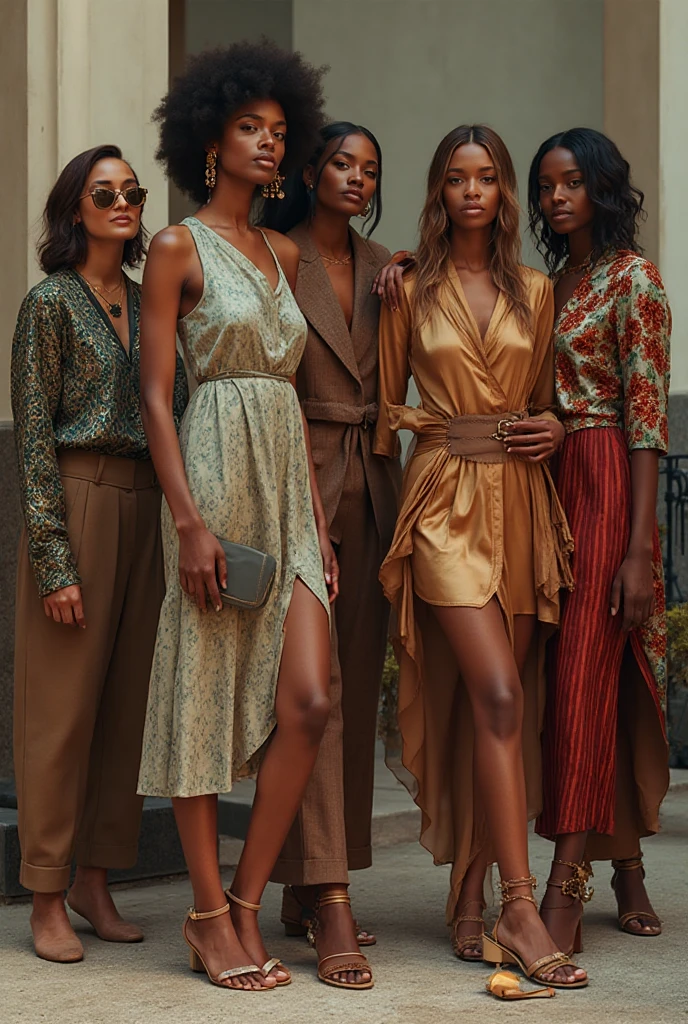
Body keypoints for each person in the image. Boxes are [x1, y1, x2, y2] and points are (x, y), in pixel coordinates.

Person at [136, 42, 347, 993]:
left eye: (278, 130)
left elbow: (296, 395)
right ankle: (206, 915)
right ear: (210, 143)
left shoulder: (287, 249)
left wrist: (315, 524)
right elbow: (152, 395)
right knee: (201, 693)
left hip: (284, 480)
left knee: (308, 700)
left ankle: (249, 903)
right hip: (213, 469)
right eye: (248, 129)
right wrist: (188, 523)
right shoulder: (178, 246)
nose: (268, 143)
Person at [373, 124, 586, 987]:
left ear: (503, 194)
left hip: (524, 505)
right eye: (457, 178)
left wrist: (559, 426)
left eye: (488, 177)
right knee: (495, 692)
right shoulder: (407, 288)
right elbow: (391, 409)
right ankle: (521, 904)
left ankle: (469, 892)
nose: (473, 191)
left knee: (496, 708)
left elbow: (547, 403)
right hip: (442, 503)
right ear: (439, 190)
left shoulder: (538, 290)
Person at [11, 144, 188, 963]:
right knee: (63, 709)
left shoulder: (157, 299)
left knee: (126, 706)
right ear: (74, 210)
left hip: (149, 502)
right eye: (102, 191)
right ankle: (45, 892)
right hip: (78, 501)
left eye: (131, 191)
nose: (121, 202)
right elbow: (35, 440)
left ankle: (95, 876)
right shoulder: (49, 303)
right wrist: (54, 560)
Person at [263, 122, 401, 987]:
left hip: (377, 483)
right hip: (296, 478)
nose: (356, 178)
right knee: (316, 694)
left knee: (357, 669)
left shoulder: (390, 265)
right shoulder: (277, 255)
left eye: (370, 170)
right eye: (343, 164)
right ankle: (333, 895)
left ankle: (312, 878)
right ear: (312, 171)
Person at [528, 127, 670, 955]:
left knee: (586, 673)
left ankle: (567, 883)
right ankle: (630, 870)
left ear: (603, 187)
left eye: (572, 182)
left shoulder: (633, 280)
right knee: (577, 676)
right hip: (552, 479)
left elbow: (647, 416)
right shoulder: (555, 283)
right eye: (547, 186)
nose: (555, 198)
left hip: (610, 474)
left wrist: (640, 547)